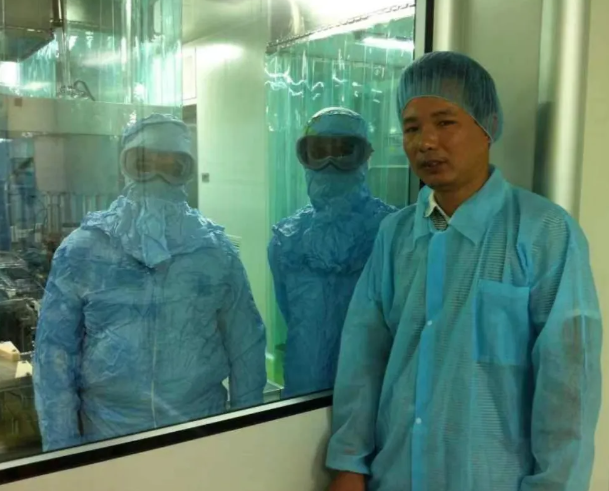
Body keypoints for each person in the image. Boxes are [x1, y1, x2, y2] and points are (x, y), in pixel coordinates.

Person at [327, 52, 602, 491]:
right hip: (396, 476)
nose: (426, 142)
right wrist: (348, 463)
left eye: (445, 122)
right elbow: (364, 356)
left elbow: (569, 386)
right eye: (411, 128)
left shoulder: (543, 232)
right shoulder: (395, 235)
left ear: (487, 126)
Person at [33, 114, 267, 451]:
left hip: (200, 431)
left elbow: (246, 345)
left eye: (173, 165)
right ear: (124, 166)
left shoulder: (214, 252)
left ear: (187, 170)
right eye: (144, 163)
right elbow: (54, 356)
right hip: (108, 435)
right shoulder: (84, 250)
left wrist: (246, 435)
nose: (158, 175)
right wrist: (62, 451)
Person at [268, 107, 396, 398]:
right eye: (319, 151)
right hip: (301, 395)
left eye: (344, 151)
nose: (330, 163)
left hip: (371, 398)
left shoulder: (392, 233)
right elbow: (290, 312)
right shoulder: (287, 240)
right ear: (305, 158)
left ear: (364, 157)